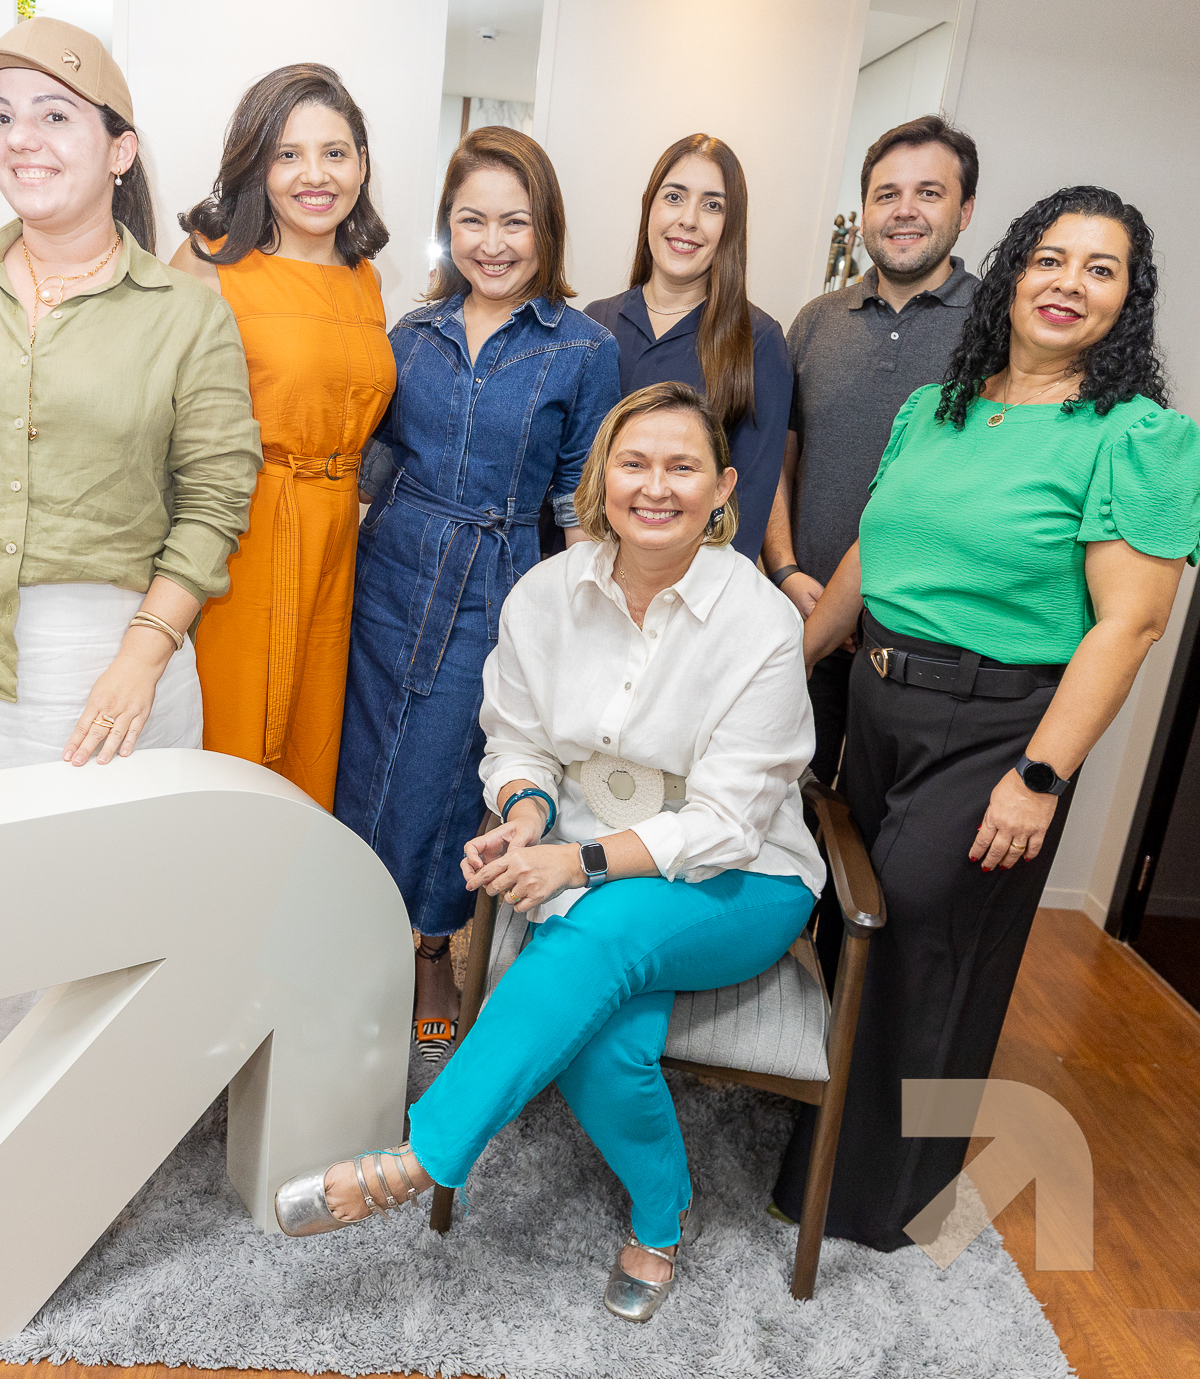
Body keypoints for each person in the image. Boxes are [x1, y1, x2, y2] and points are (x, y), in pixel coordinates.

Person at [277, 382, 824, 1320]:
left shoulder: (761, 622)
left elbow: (730, 821)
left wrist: (576, 864)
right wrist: (526, 815)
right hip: (581, 867)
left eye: (683, 467)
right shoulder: (546, 593)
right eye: (634, 463)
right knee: (602, 1039)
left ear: (723, 488)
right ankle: (663, 1218)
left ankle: (421, 1157)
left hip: (743, 880)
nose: (656, 487)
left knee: (599, 932)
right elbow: (518, 743)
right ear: (601, 479)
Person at [0, 19, 262, 1089]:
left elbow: (214, 500)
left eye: (55, 115)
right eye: (1, 116)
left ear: (120, 150)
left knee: (89, 917)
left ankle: (68, 1118)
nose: (22, 138)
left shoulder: (187, 314)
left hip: (96, 673)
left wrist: (142, 654)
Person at [771, 187, 1200, 1250]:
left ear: (1129, 300)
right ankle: (816, 1140)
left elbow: (1131, 626)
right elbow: (871, 555)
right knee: (850, 924)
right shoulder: (936, 409)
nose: (1069, 284)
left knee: (921, 941)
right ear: (1011, 274)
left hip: (997, 731)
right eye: (1050, 259)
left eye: (1101, 269)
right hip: (878, 707)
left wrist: (1040, 777)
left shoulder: (1138, 437)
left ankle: (876, 1198)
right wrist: (790, 665)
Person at [334, 127, 620, 1059]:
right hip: (387, 571)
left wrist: (586, 630)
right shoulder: (411, 335)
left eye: (515, 222)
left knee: (446, 774)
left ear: (547, 229)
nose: (492, 243)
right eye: (472, 221)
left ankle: (428, 948)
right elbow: (371, 468)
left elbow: (578, 500)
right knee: (357, 760)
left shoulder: (582, 348)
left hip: (495, 583)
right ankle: (348, 942)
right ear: (447, 227)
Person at [172, 65, 395, 810]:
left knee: (310, 745)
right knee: (231, 748)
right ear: (255, 163)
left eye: (335, 152)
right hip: (243, 532)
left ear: (362, 163)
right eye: (288, 154)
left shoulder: (364, 277)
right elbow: (161, 423)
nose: (315, 175)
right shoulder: (211, 261)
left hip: (337, 539)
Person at [762, 115, 979, 785]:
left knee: (879, 825)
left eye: (928, 193)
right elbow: (778, 462)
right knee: (783, 805)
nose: (904, 210)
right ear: (864, 212)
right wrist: (786, 569)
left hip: (922, 643)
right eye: (887, 194)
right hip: (803, 618)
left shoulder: (998, 330)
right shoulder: (815, 322)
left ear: (966, 211)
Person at [584, 133, 792, 564]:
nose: (689, 220)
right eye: (674, 197)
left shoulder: (759, 340)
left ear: (731, 226)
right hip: (588, 565)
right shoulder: (595, 323)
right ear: (650, 207)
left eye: (713, 205)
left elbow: (747, 507)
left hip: (694, 584)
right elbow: (573, 475)